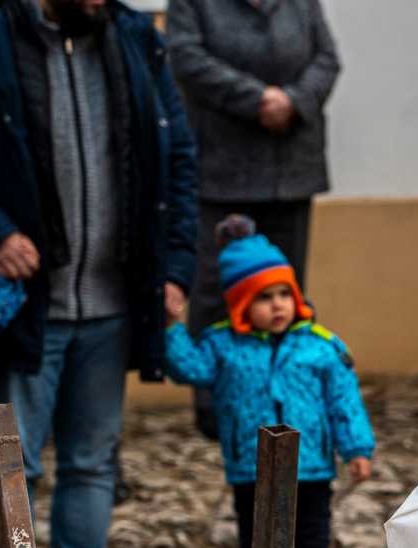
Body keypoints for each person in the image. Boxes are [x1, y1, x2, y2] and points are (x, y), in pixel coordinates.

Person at [0, 0, 198, 548]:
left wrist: (173, 270)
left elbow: (179, 154)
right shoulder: (3, 32)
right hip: (29, 302)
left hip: (114, 301)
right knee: (12, 464)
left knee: (91, 461)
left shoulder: (135, 35)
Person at [165, 219, 374, 548]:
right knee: (258, 542)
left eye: (284, 294)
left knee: (312, 535)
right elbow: (189, 367)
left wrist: (357, 448)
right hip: (253, 466)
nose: (278, 305)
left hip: (312, 464)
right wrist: (171, 327)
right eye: (264, 298)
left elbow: (343, 400)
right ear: (241, 305)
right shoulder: (222, 344)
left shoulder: (320, 344)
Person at [166, 0, 339, 440]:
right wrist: (257, 99)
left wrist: (294, 100)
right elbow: (187, 58)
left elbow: (326, 58)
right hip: (222, 167)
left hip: (291, 166)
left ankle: (286, 395)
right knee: (214, 290)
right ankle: (215, 402)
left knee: (285, 290)